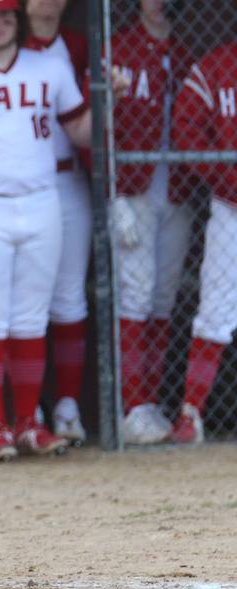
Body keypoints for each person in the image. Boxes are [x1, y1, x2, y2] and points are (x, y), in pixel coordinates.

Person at [0, 0, 124, 460]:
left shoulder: (48, 68)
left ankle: (29, 423)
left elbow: (82, 133)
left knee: (32, 317)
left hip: (42, 199)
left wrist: (105, 97)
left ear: (17, 21)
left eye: (3, 16)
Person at [107, 0, 195, 445]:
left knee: (163, 294)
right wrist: (114, 193)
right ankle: (132, 404)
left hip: (175, 187)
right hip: (134, 187)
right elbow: (100, 128)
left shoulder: (185, 52)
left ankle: (152, 403)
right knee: (136, 294)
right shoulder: (117, 49)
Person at [23, 0, 91, 444]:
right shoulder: (13, 45)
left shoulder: (79, 46)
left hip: (69, 181)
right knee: (27, 305)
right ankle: (30, 411)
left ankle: (67, 406)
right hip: (23, 187)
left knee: (70, 297)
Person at [169, 40, 237, 444]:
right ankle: (190, 414)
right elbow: (188, 131)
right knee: (215, 310)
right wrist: (229, 179)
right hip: (231, 208)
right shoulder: (215, 65)